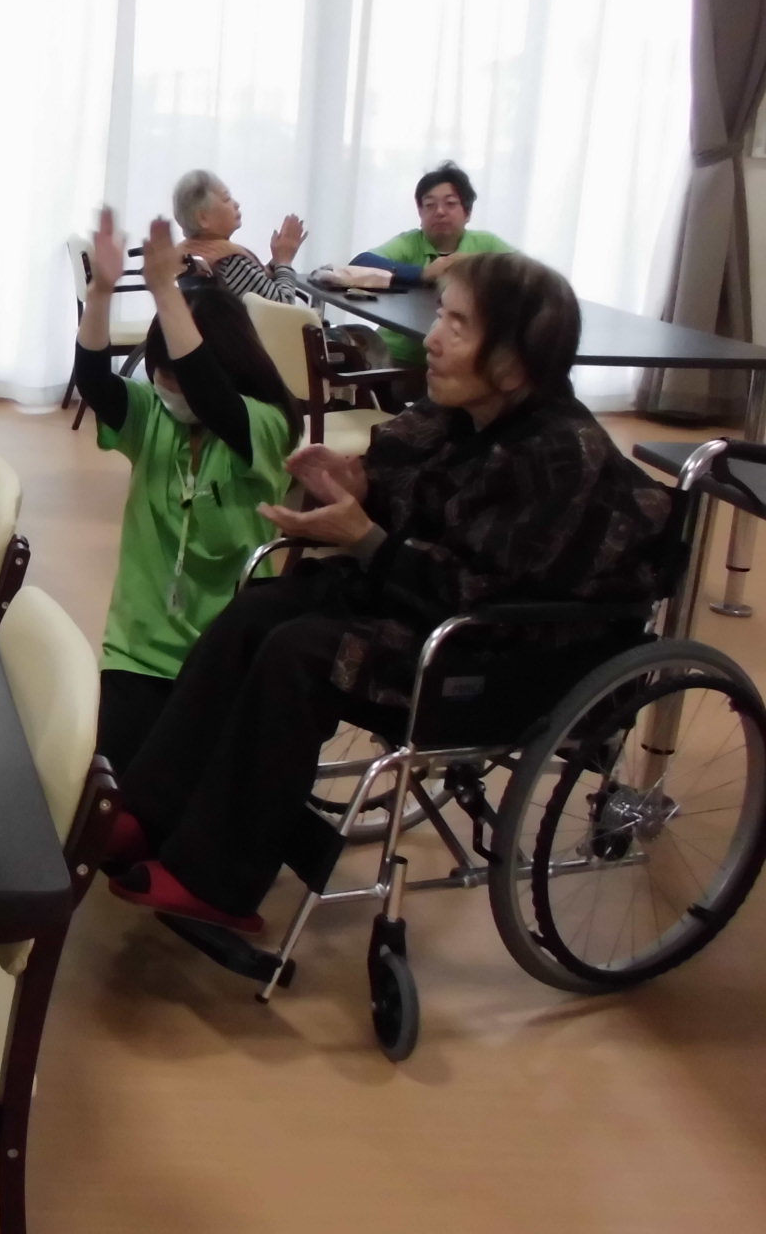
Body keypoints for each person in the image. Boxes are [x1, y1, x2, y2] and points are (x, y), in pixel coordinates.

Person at [103, 252, 670, 934]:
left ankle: (216, 880)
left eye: (457, 325)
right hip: (420, 606)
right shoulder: (450, 415)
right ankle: (149, 813)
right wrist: (355, 484)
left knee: (298, 654)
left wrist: (366, 538)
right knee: (255, 613)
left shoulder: (560, 455)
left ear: (514, 363)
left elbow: (480, 592)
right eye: (441, 317)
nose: (432, 339)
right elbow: (397, 484)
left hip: (500, 657)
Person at [73, 208, 301, 769]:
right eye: (160, 373)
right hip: (137, 648)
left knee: (190, 792)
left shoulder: (264, 424)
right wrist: (101, 294)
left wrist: (165, 291)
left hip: (224, 652)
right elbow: (96, 381)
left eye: (179, 375)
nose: (167, 387)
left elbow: (212, 397)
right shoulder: (152, 415)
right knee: (117, 789)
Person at [350, 161, 518, 367]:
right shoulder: (410, 243)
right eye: (429, 205)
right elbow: (359, 264)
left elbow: (525, 272)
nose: (440, 212)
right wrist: (423, 273)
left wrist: (478, 263)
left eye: (450, 203)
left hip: (460, 359)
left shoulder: (485, 242)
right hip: (400, 355)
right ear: (420, 214)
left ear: (467, 213)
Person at [170, 169, 307, 302]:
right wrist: (284, 262)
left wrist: (276, 261)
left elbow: (254, 283)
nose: (236, 204)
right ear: (203, 218)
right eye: (227, 198)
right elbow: (283, 306)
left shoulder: (193, 254)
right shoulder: (229, 262)